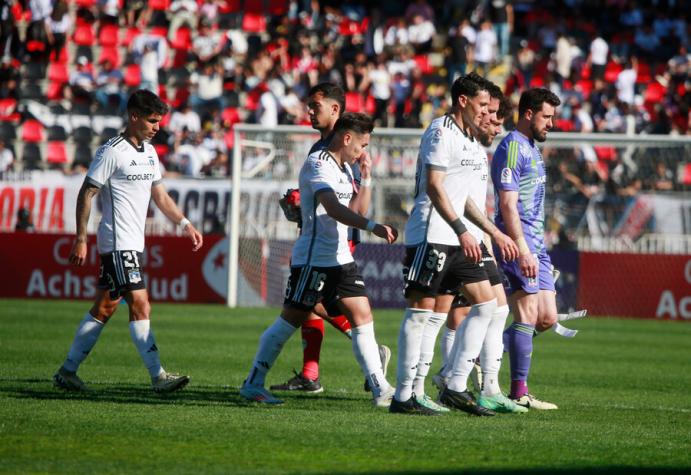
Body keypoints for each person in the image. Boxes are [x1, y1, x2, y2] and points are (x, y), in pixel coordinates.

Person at [239, 112, 398, 407]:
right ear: (347, 138)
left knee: (362, 316)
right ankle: (253, 383)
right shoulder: (317, 164)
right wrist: (373, 227)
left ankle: (380, 388)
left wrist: (369, 178)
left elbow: (355, 210)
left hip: (340, 258)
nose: (363, 151)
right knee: (289, 322)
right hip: (313, 261)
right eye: (362, 145)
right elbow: (334, 208)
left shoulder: (347, 169)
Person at [53, 90, 204, 393]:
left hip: (133, 243)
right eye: (152, 120)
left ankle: (67, 372)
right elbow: (87, 192)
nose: (157, 127)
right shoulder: (112, 151)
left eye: (159, 121)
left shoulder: (149, 152)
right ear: (133, 117)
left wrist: (185, 223)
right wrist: (81, 238)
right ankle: (158, 376)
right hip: (118, 242)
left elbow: (159, 195)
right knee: (140, 302)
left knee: (105, 307)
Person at [391, 73, 517, 416]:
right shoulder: (440, 130)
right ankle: (405, 395)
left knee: (488, 305)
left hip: (460, 238)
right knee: (422, 314)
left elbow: (464, 200)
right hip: (432, 234)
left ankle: (454, 383)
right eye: (480, 105)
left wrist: (492, 232)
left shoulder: (468, 138)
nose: (485, 112)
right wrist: (463, 229)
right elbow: (434, 186)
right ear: (463, 101)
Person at [270, 83, 390, 394]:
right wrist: (298, 205)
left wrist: (367, 223)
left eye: (315, 106)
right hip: (322, 235)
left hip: (338, 240)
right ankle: (311, 373)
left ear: (335, 110)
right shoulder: (320, 148)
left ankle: (370, 352)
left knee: (310, 304)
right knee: (310, 305)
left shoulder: (349, 146)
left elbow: (350, 202)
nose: (309, 111)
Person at [429, 80, 526, 414]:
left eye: (496, 116)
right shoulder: (453, 138)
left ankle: (479, 385)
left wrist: (490, 237)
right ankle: (443, 381)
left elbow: (472, 203)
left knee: (490, 309)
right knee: (441, 313)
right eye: (490, 114)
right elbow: (455, 197)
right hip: (454, 238)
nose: (493, 122)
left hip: (474, 239)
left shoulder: (475, 148)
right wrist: (488, 235)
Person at [490, 87, 562, 410]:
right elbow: (507, 203)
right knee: (527, 313)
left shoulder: (532, 148)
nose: (551, 123)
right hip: (518, 243)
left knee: (546, 317)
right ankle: (519, 392)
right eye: (547, 117)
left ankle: (485, 353)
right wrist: (521, 248)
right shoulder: (512, 148)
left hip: (538, 245)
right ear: (529, 114)